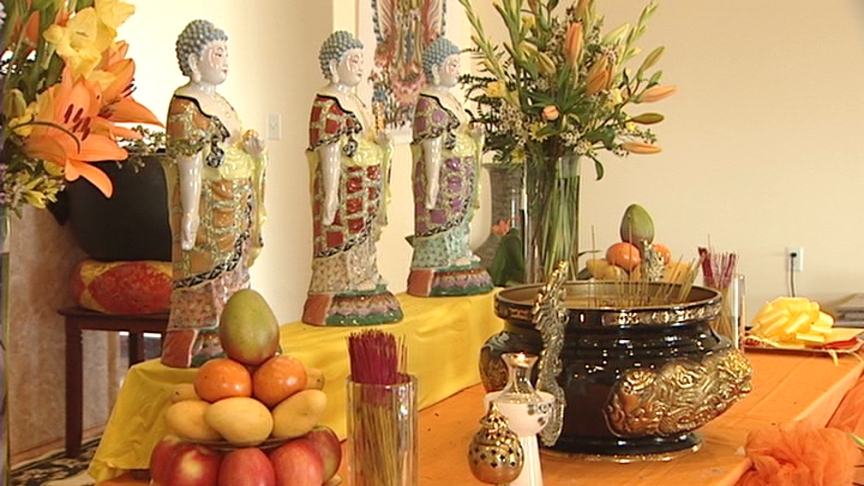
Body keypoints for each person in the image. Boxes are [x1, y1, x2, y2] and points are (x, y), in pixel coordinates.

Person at [160, 19, 267, 367]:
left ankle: (239, 332)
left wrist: (253, 151)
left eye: (226, 53)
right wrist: (189, 215)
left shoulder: (221, 102)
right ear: (193, 62)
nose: (224, 60)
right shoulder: (185, 105)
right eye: (217, 53)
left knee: (235, 273)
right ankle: (202, 338)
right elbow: (188, 163)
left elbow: (235, 146)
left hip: (237, 204)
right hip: (208, 207)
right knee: (206, 272)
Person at [302, 30, 402, 326]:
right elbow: (328, 152)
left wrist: (382, 144)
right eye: (353, 60)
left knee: (364, 241)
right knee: (342, 238)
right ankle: (338, 287)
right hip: (345, 190)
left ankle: (364, 276)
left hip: (366, 187)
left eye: (362, 60)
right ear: (334, 66)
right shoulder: (327, 103)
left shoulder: (357, 101)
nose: (360, 66)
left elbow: (368, 138)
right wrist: (331, 196)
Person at [406, 37, 492, 297]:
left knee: (460, 217)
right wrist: (431, 183)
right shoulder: (428, 102)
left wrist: (476, 135)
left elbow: (462, 130)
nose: (456, 70)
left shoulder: (452, 100)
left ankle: (458, 251)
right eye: (451, 65)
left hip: (461, 171)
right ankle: (441, 259)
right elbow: (431, 144)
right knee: (443, 215)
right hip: (443, 175)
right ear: (435, 69)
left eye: (457, 65)